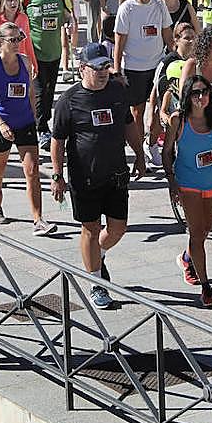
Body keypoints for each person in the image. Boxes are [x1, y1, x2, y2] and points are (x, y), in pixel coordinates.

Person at [51, 42, 144, 309]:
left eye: (106, 66)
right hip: (84, 176)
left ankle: (97, 256)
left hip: (115, 173)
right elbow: (57, 140)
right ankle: (96, 282)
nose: (104, 72)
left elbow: (128, 124)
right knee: (90, 229)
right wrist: (57, 176)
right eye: (98, 67)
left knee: (118, 228)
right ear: (82, 69)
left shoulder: (116, 91)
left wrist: (139, 154)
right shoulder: (69, 100)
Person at [162, 73, 212, 308]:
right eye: (195, 93)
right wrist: (172, 181)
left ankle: (187, 258)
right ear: (187, 96)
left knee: (206, 229)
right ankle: (206, 286)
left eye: (205, 92)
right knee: (196, 233)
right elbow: (166, 152)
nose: (201, 97)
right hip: (188, 184)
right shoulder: (179, 120)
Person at [0, 20, 52, 235]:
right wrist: (2, 124)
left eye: (19, 39)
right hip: (1, 124)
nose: (17, 44)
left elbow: (30, 92)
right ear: (1, 42)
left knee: (32, 170)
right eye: (12, 40)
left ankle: (38, 219)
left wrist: (34, 117)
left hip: (25, 123)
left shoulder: (25, 61)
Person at [113, 0, 173, 167]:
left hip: (157, 65)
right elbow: (119, 42)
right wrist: (117, 70)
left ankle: (152, 143)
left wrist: (175, 60)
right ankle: (140, 153)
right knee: (137, 111)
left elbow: (167, 35)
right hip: (133, 67)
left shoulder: (160, 5)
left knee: (159, 109)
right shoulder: (126, 9)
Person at [22, 0, 72, 150]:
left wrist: (69, 24)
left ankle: (43, 123)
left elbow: (68, 15)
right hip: (34, 53)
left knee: (50, 90)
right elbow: (16, 20)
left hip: (55, 51)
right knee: (40, 91)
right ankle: (40, 128)